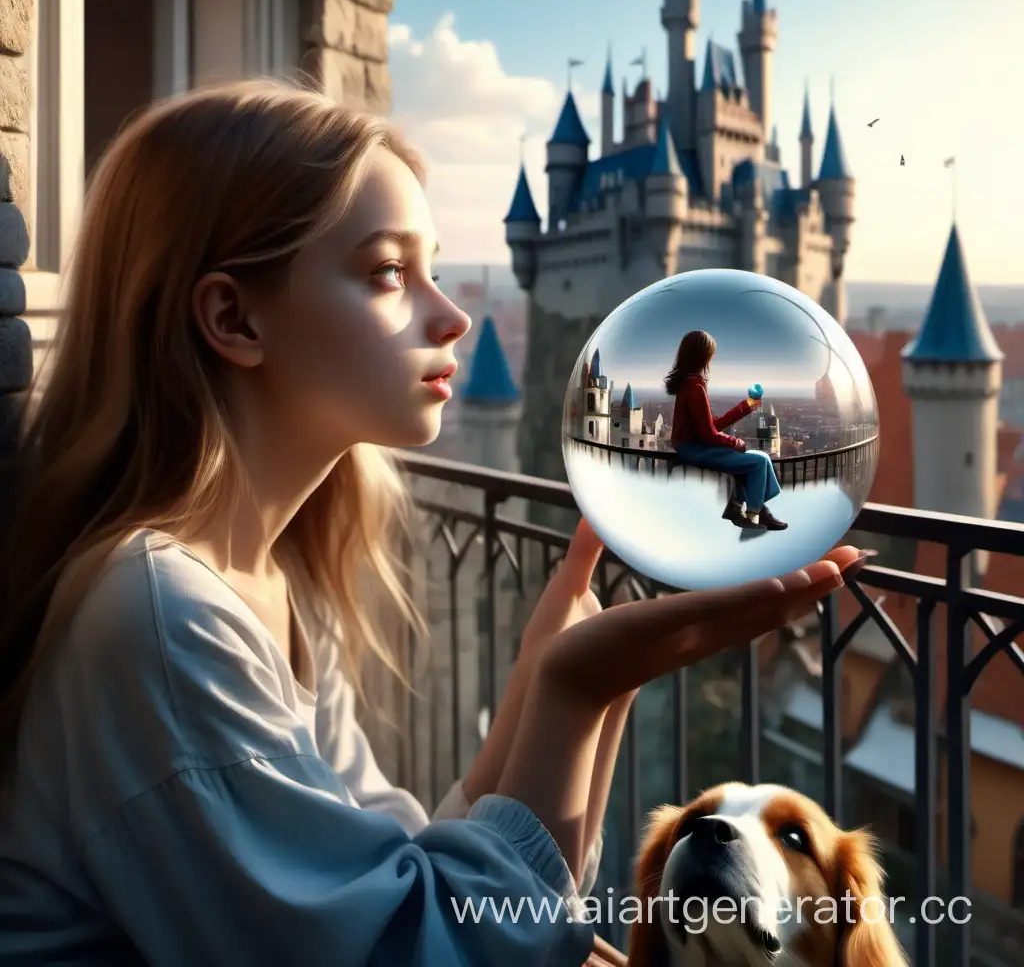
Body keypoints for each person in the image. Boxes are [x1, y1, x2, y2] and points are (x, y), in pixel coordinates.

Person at [0, 80, 862, 966]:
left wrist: (554, 686)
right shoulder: (161, 620)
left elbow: (399, 882)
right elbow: (420, 948)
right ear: (233, 317)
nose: (452, 316)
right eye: (387, 273)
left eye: (436, 271)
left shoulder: (266, 584)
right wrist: (569, 697)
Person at [666, 329, 787, 531]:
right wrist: (736, 443)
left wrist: (747, 406)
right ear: (702, 355)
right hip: (695, 449)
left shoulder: (690, 384)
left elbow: (712, 425)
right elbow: (709, 433)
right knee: (758, 461)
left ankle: (749, 508)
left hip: (693, 447)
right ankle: (752, 512)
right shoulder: (694, 387)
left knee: (761, 458)